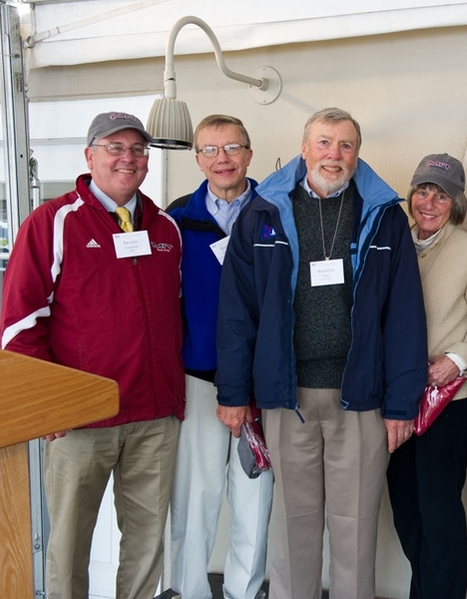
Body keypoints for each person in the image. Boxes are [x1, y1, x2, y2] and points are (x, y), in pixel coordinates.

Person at [215, 107, 428, 599]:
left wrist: (400, 403)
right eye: (325, 143)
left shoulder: (383, 215)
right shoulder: (262, 211)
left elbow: (404, 316)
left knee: (355, 528)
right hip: (287, 395)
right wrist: (233, 391)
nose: (335, 155)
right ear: (305, 146)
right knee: (294, 526)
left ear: (357, 153)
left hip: (362, 398)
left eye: (346, 145)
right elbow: (237, 311)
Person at [0, 111, 184, 599]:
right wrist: (46, 402)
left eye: (138, 150)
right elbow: (19, 323)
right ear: (90, 156)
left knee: (146, 547)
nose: (128, 158)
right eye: (114, 148)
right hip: (80, 420)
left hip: (154, 417)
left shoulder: (166, 228)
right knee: (68, 545)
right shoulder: (53, 222)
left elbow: (176, 315)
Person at [167, 114, 273, 599]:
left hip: (262, 383)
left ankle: (243, 592)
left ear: (249, 154)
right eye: (209, 149)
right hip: (199, 378)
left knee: (254, 499)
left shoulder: (277, 214)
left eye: (231, 148)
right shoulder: (177, 217)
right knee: (196, 497)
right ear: (197, 158)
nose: (221, 158)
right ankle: (188, 591)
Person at [386, 153, 467, 598]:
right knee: (404, 507)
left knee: (438, 507)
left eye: (442, 195)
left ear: (456, 204)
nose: (429, 202)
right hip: (397, 399)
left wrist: (457, 359)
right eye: (423, 191)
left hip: (451, 401)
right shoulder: (392, 247)